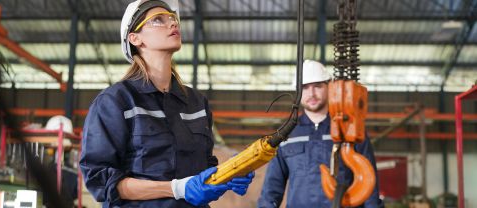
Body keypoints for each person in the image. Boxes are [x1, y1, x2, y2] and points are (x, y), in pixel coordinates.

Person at [79, 0, 254, 207]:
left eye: (173, 19)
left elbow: (203, 171)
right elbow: (100, 180)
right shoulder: (116, 101)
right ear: (135, 38)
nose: (173, 24)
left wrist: (227, 175)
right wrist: (176, 189)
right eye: (158, 20)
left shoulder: (196, 102)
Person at [258, 60, 383, 208]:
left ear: (329, 87)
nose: (311, 93)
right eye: (305, 88)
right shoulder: (286, 135)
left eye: (317, 86)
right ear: (297, 92)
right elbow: (271, 190)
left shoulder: (350, 129)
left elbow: (368, 184)